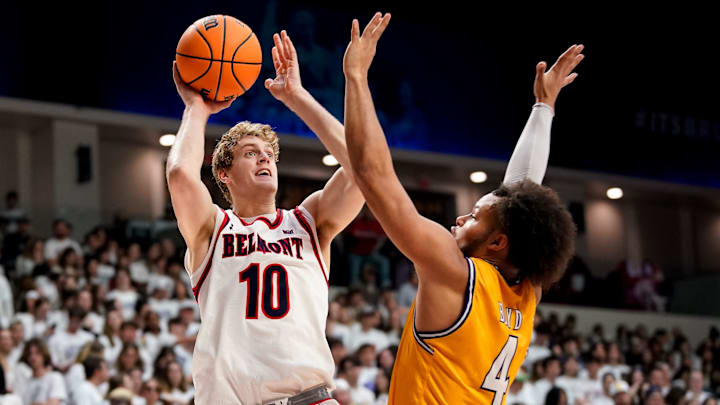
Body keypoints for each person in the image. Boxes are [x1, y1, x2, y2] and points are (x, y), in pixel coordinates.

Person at [342, 12, 581, 404]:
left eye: (474, 216)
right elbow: (522, 193)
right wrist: (543, 107)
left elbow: (372, 175)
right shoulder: (526, 293)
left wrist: (355, 77)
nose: (460, 217)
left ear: (497, 242)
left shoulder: (454, 273)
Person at [167, 28, 363, 404]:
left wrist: (299, 98)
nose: (264, 158)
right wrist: (196, 109)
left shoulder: (309, 221)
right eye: (250, 152)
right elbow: (179, 175)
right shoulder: (212, 228)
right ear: (223, 173)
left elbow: (362, 165)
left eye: (268, 154)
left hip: (310, 398)